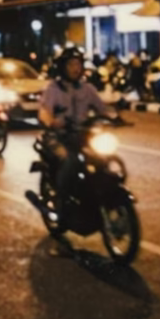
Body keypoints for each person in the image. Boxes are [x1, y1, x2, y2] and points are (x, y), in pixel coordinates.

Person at [38, 47, 118, 231]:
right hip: (58, 137)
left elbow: (102, 109)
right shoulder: (53, 89)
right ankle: (61, 208)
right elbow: (44, 111)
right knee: (70, 162)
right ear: (62, 67)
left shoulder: (87, 89)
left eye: (78, 64)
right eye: (71, 64)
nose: (75, 68)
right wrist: (50, 121)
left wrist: (114, 118)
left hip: (82, 136)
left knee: (107, 161)